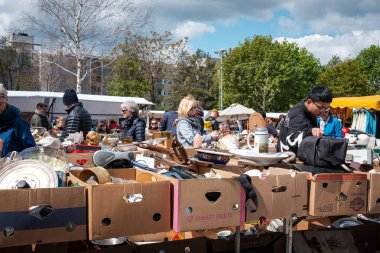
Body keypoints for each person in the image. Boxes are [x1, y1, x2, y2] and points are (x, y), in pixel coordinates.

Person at [278, 86, 333, 154]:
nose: (323, 111)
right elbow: (291, 140)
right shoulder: (298, 114)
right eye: (321, 107)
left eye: (326, 108)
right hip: (289, 158)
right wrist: (310, 131)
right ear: (309, 102)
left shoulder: (309, 111)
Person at [0, 84, 35, 156]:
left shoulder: (18, 122)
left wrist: (11, 156)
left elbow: (32, 151)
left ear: (5, 103)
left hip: (12, 165)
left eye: (0, 104)